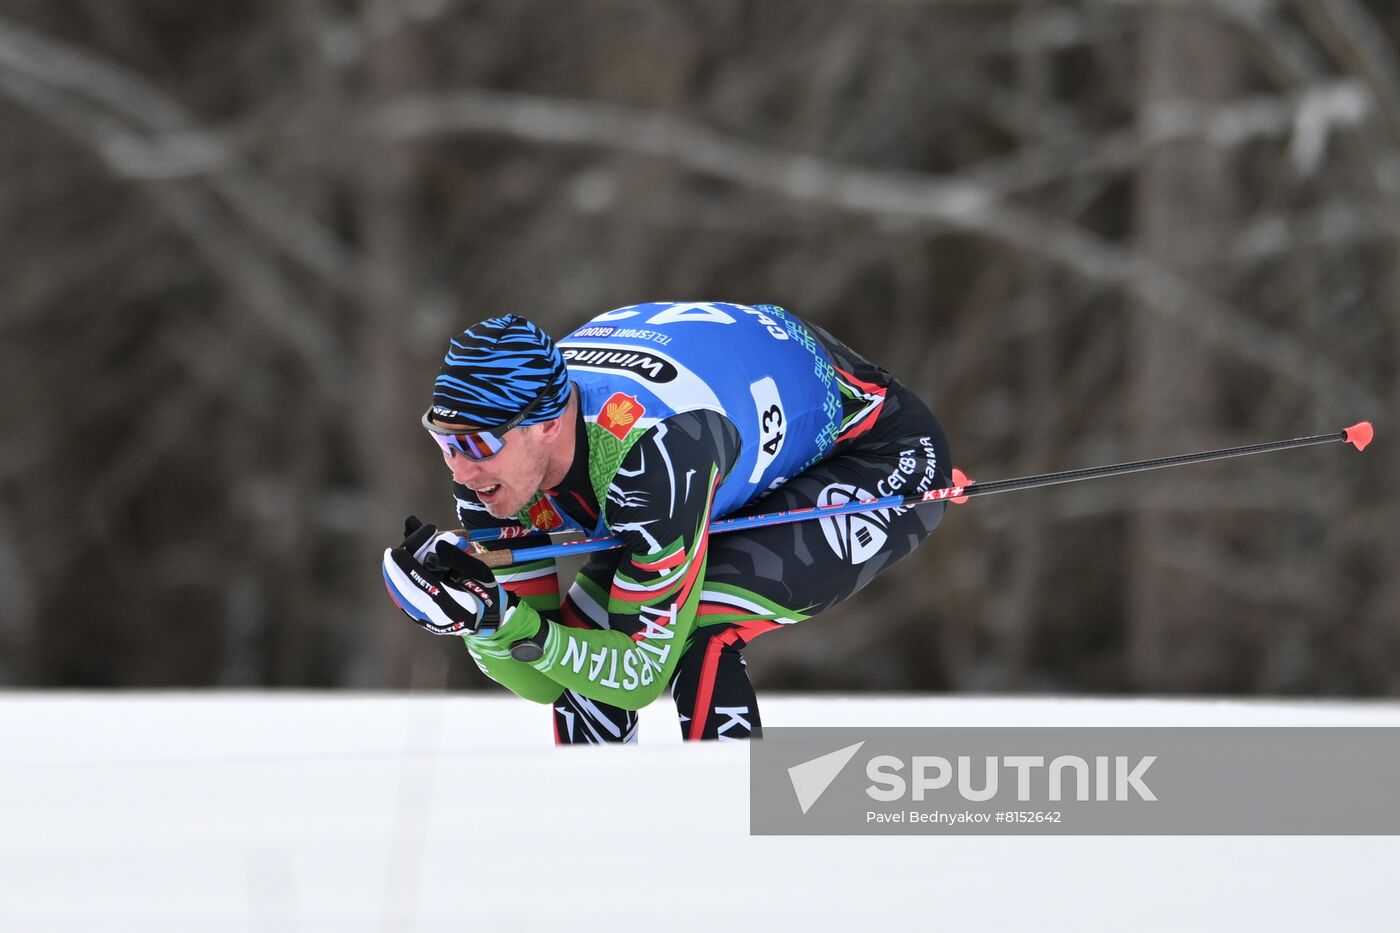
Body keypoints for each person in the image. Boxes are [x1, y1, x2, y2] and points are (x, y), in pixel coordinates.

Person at [382, 302, 953, 743]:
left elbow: (637, 677)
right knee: (581, 651)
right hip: (724, 437)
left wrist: (509, 623)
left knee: (696, 629)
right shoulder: (488, 471)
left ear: (548, 424)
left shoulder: (650, 458)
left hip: (875, 450)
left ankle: (732, 825)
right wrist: (481, 621)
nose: (460, 468)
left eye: (478, 444)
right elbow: (547, 680)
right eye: (444, 442)